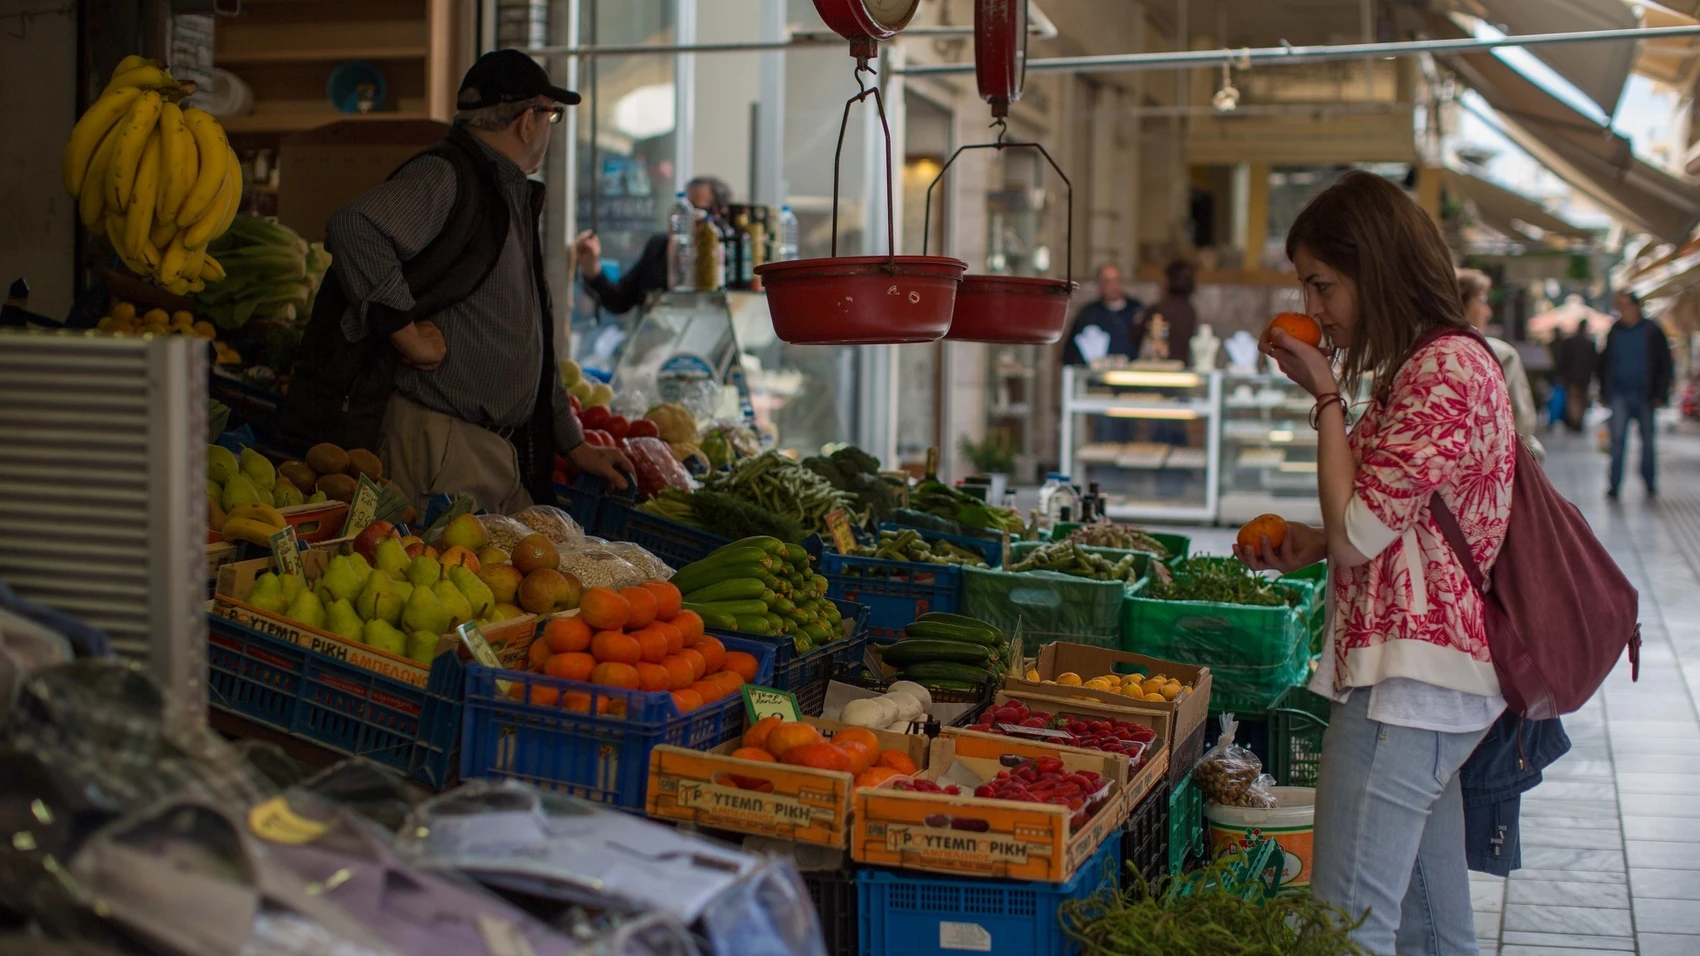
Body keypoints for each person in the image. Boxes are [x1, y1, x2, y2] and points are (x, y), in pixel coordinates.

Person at [1236, 171, 1516, 955]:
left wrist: (1325, 397)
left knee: (1345, 926)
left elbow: (1361, 532)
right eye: (1306, 287)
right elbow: (1383, 521)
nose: (1314, 308)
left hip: (1408, 690)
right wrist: (1316, 540)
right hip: (1423, 686)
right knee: (1432, 928)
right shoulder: (1423, 366)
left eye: (1322, 285)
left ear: (1378, 266)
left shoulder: (1445, 370)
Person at [282, 49, 632, 513]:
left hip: (484, 450)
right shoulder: (449, 173)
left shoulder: (504, 190)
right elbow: (354, 227)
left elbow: (533, 337)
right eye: (551, 116)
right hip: (441, 445)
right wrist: (406, 334)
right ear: (527, 121)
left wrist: (573, 444)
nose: (549, 128)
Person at [571, 175, 733, 315]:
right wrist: (591, 269)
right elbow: (621, 299)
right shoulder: (659, 247)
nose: (686, 216)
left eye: (695, 209)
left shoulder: (724, 255)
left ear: (717, 215)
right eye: (684, 207)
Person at [1458, 269, 1544, 462]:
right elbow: (1522, 423)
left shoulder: (1419, 352)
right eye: (1482, 301)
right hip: (1494, 469)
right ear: (1461, 304)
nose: (1487, 311)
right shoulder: (1499, 354)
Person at [1597, 291, 1673, 499]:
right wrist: (1603, 391)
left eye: (1623, 304)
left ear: (1635, 306)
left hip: (1645, 395)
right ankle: (1614, 484)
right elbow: (1604, 362)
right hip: (1619, 394)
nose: (1620, 309)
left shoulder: (1652, 331)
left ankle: (1649, 482)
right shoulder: (1615, 331)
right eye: (1618, 305)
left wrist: (1660, 393)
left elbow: (1665, 364)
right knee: (1617, 441)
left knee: (1648, 442)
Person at [1061, 263, 1142, 365]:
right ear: (1099, 285)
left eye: (1116, 280)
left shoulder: (1136, 309)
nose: (1113, 286)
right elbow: (1070, 354)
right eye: (1107, 281)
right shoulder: (1088, 313)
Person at [1138, 259, 1199, 366]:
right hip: (1182, 368)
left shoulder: (1158, 309)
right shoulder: (1190, 311)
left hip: (1159, 368)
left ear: (1168, 281)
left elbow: (1135, 336)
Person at [1551, 321, 1597, 433]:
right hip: (1583, 377)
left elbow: (1562, 360)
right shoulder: (1589, 343)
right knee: (1579, 399)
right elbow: (1594, 362)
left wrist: (1560, 374)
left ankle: (1575, 421)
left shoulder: (1569, 342)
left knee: (1574, 400)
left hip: (1571, 377)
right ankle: (1576, 421)